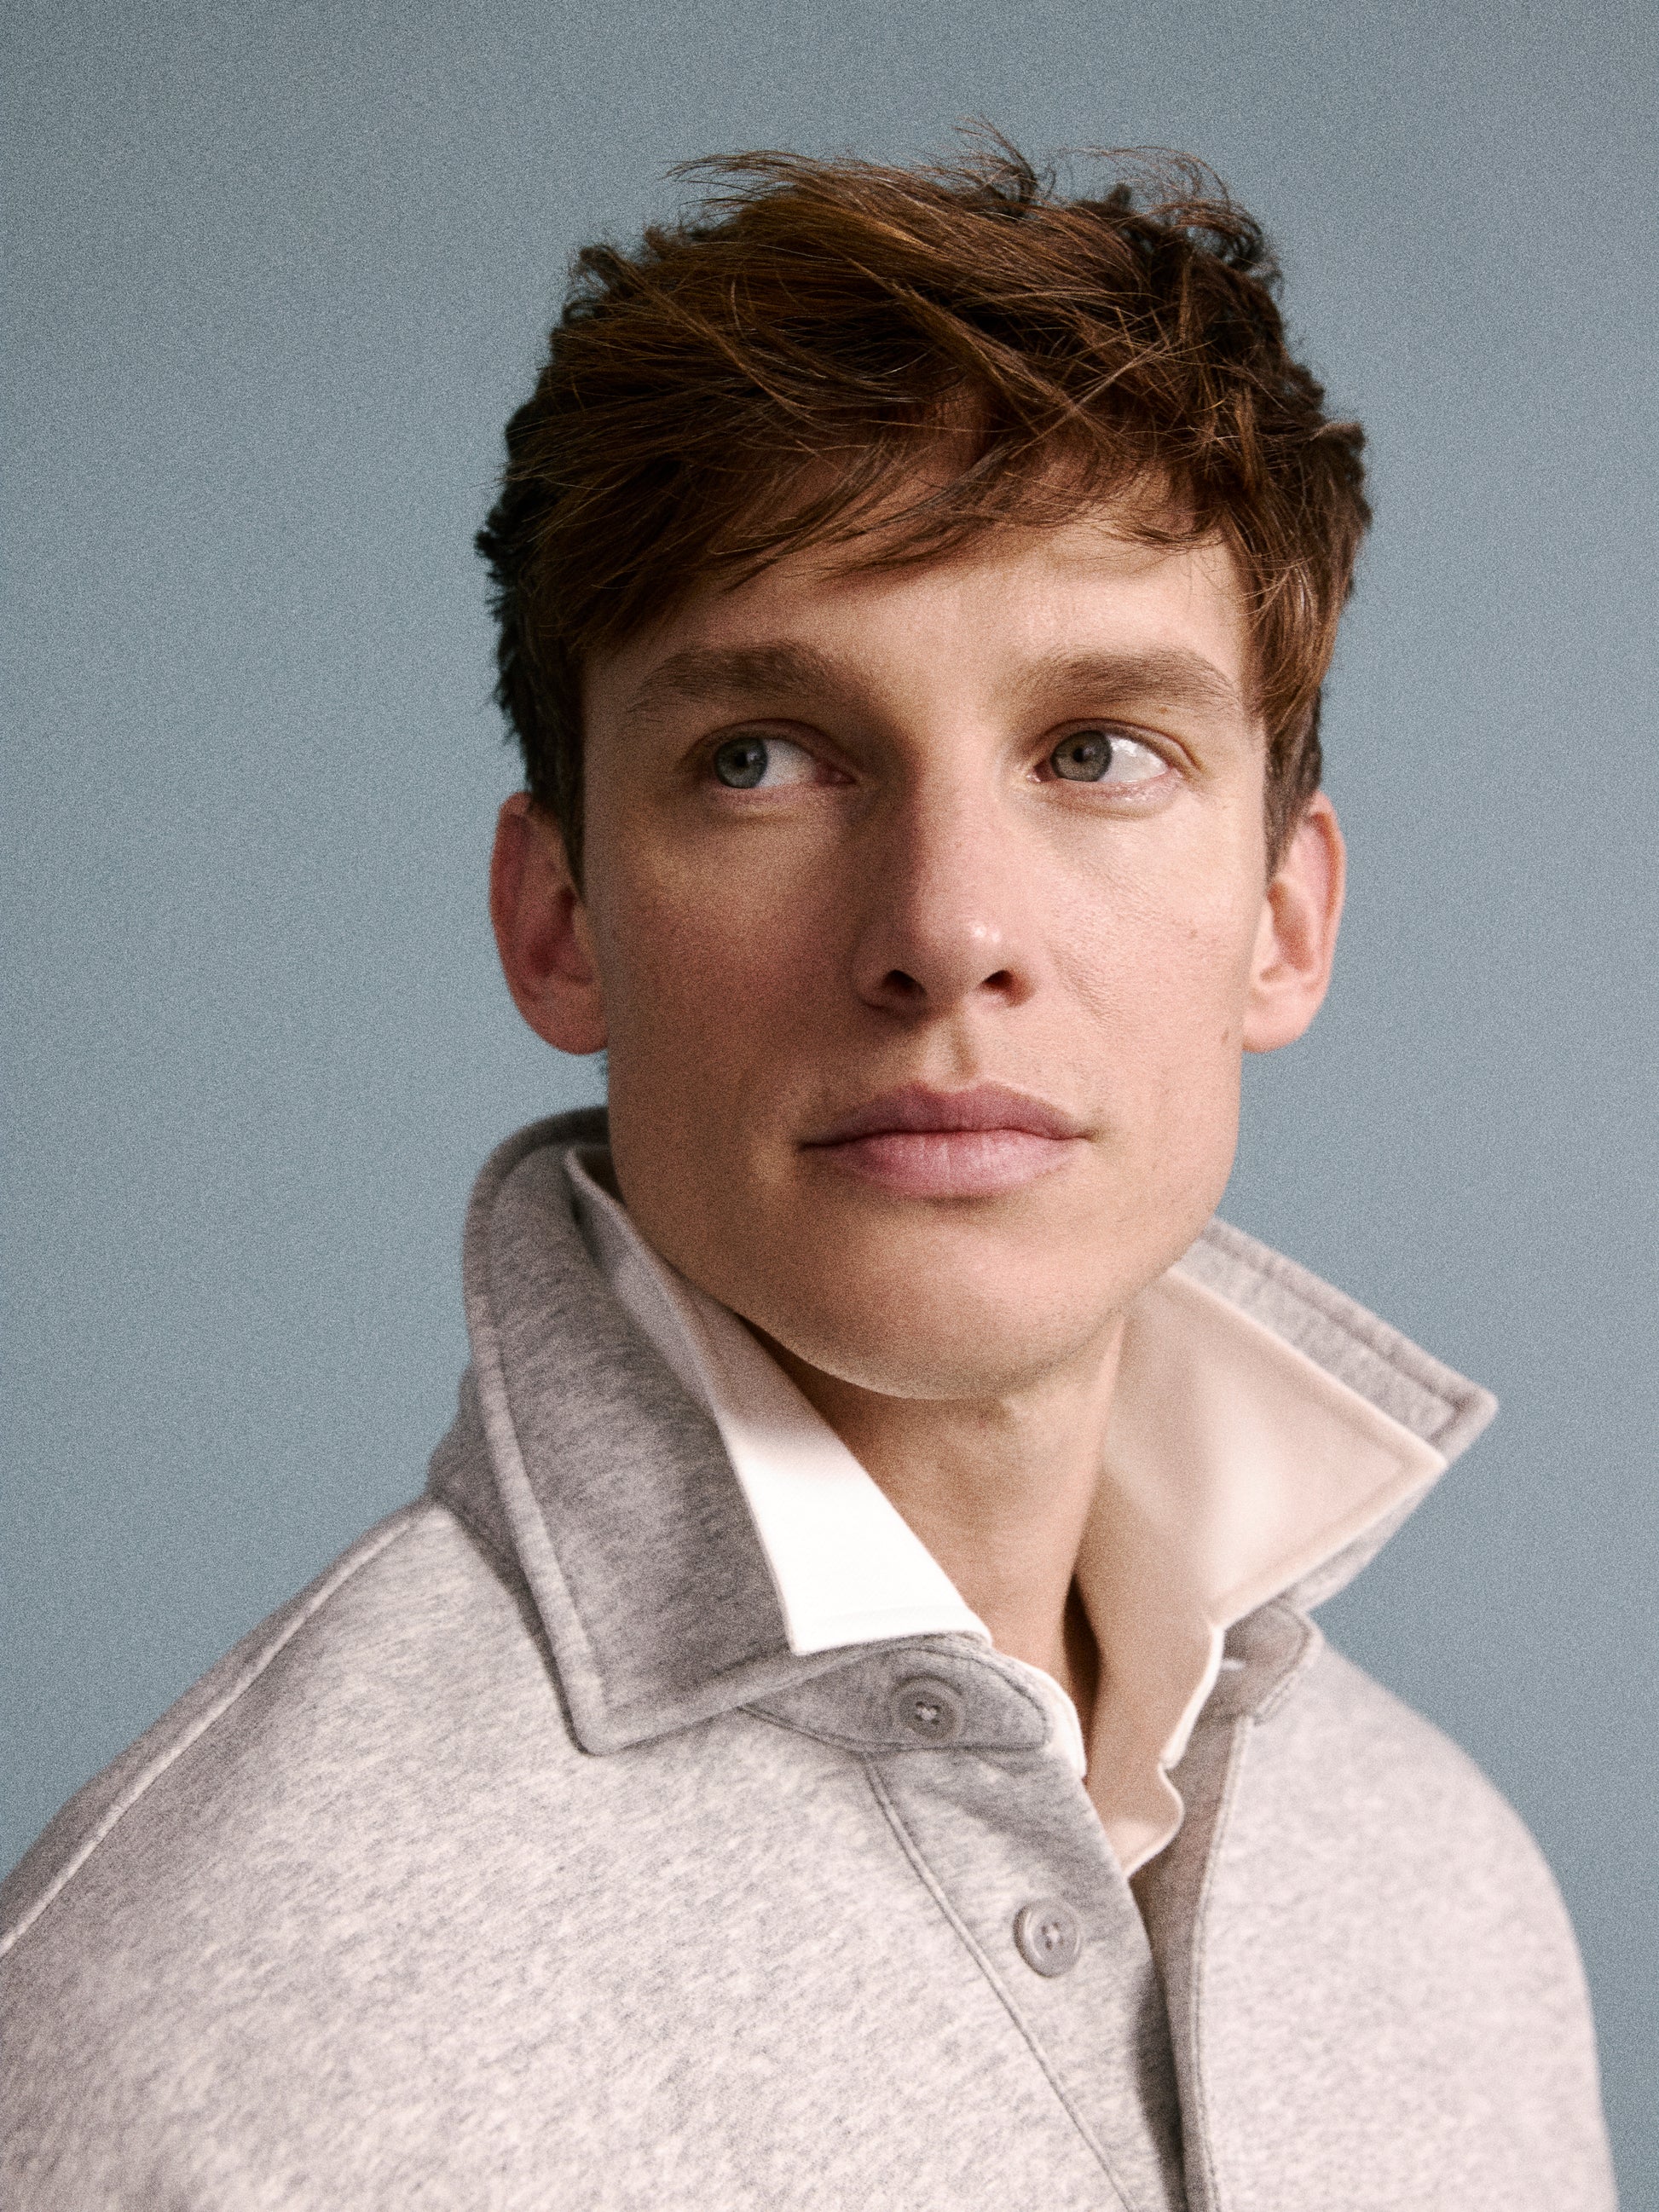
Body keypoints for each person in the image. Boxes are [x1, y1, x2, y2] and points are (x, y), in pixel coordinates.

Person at [0, 140, 1616, 2209]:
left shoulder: (1446, 1888)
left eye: (1095, 749)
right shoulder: (188, 2037)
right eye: (761, 754)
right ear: (561, 918)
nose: (946, 926)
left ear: (1283, 921)